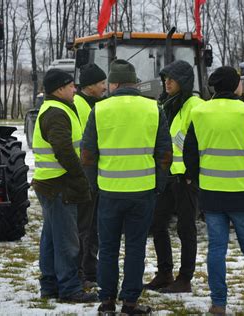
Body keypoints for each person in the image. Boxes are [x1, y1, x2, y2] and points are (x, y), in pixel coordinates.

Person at [81, 59, 172, 314]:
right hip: (143, 192)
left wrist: (95, 185)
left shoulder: (99, 109)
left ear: (114, 83)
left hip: (109, 191)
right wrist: (158, 186)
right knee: (135, 248)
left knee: (107, 249)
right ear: (134, 82)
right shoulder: (154, 108)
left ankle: (107, 301)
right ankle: (130, 302)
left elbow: (87, 154)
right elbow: (164, 153)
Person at [183, 66, 244, 314]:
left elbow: (189, 151)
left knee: (216, 249)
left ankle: (218, 303)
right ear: (236, 86)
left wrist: (195, 178)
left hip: (212, 193)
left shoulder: (200, 112)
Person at [31, 68, 98, 303]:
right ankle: (70, 289)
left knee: (51, 239)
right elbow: (63, 149)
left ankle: (49, 286)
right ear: (60, 89)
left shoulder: (55, 109)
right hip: (60, 185)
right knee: (68, 241)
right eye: (71, 86)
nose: (75, 89)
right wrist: (80, 176)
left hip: (50, 183)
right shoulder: (57, 112)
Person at [145, 60, 204, 293]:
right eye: (165, 79)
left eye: (171, 79)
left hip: (185, 179)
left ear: (184, 82)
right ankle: (164, 273)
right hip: (167, 176)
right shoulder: (165, 104)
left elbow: (200, 141)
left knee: (186, 228)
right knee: (157, 223)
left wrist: (192, 173)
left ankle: (185, 278)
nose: (167, 83)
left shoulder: (195, 105)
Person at [74, 63, 107, 289]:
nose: (105, 87)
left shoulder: (97, 104)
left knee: (93, 225)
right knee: (82, 226)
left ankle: (90, 268)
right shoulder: (78, 105)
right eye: (101, 83)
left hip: (95, 173)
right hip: (83, 174)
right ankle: (80, 272)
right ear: (90, 85)